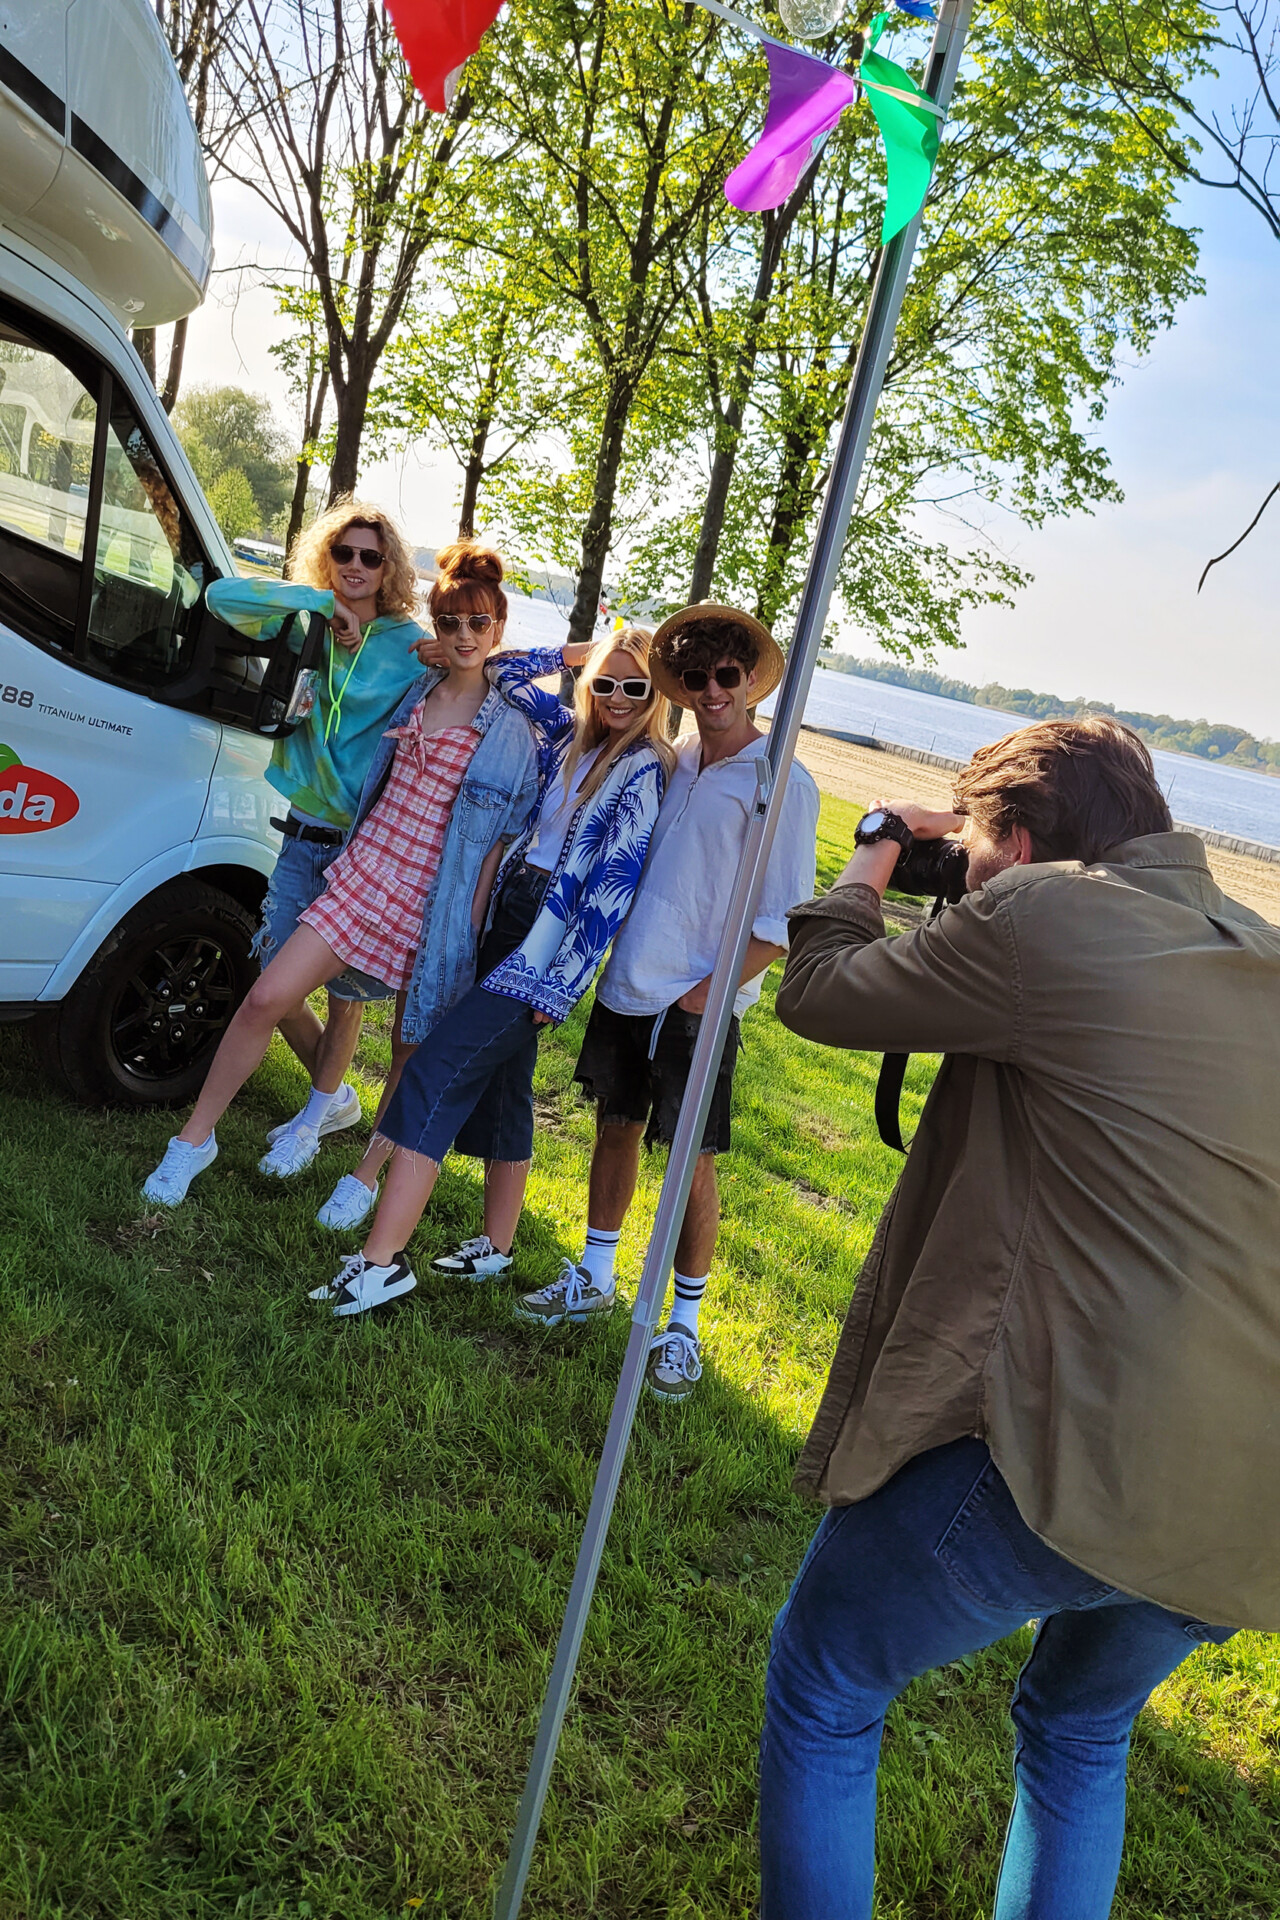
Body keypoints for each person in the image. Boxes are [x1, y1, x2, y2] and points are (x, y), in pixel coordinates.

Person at [760, 717, 1280, 1920]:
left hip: (1081, 1441)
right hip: (1248, 1495)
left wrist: (875, 857)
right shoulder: (1254, 953)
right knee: (1078, 1730)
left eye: (978, 851)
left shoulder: (1043, 913)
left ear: (1019, 838)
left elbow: (820, 992)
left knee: (826, 1683)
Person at [141, 543, 538, 1209]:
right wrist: (354, 624)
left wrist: (466, 935)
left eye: (479, 623)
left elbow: (498, 845)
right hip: (362, 874)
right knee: (267, 997)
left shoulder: (514, 730)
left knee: (408, 1049)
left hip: (432, 905)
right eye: (450, 623)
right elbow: (365, 671)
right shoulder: (417, 684)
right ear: (435, 627)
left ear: (499, 628)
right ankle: (193, 1141)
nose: (464, 635)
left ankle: (365, 1176)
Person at [310, 626, 674, 1318]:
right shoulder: (570, 735)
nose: (620, 697)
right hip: (505, 912)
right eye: (607, 682)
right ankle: (498, 1244)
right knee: (505, 1084)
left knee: (434, 1072)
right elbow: (503, 672)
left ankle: (378, 1263)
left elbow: (614, 881)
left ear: (656, 696)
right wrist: (576, 655)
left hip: (544, 945)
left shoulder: (646, 765)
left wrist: (562, 982)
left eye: (637, 686)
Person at [514, 604, 819, 1401]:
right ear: (676, 686)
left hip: (700, 1002)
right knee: (615, 1127)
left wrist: (706, 994)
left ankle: (682, 1327)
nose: (713, 690)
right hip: (628, 980)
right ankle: (596, 1272)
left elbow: (783, 921)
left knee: (690, 1161)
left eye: (728, 675)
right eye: (695, 676)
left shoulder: (780, 778)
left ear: (751, 680)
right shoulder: (669, 759)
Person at [202, 499, 425, 1177]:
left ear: (390, 569)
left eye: (370, 556)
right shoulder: (308, 614)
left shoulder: (408, 644)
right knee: (275, 969)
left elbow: (470, 673)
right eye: (344, 553)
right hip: (302, 833)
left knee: (347, 990)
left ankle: (320, 1104)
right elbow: (220, 597)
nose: (356, 566)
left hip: (364, 840)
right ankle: (334, 1097)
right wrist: (319, 603)